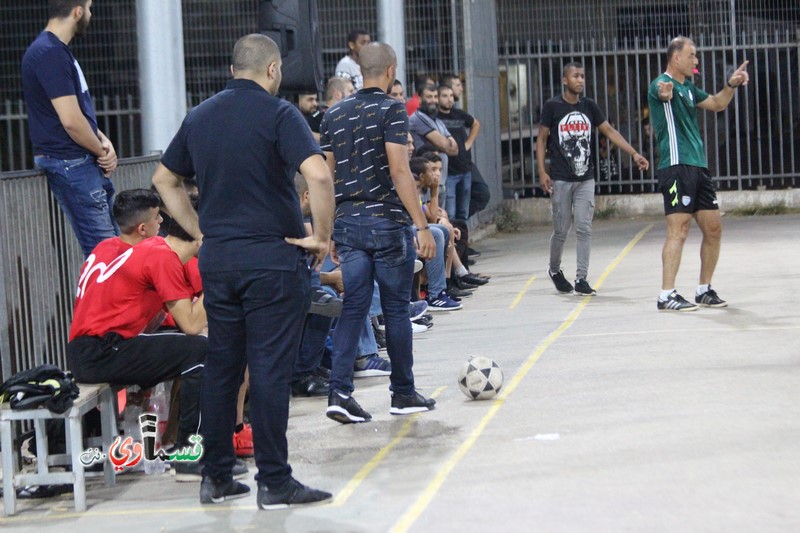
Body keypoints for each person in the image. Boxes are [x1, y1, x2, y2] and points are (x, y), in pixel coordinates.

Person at [153, 34, 334, 509]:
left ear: (234, 69)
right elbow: (317, 174)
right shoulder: (279, 115)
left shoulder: (199, 116)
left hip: (221, 261)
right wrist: (321, 236)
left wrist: (199, 230)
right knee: (270, 370)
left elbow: (163, 180)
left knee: (222, 367)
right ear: (273, 70)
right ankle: (274, 481)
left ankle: (215, 477)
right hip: (271, 260)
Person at [319, 41, 437, 424]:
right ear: (390, 71)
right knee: (396, 310)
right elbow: (401, 171)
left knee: (353, 306)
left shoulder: (332, 116)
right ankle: (402, 392)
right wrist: (422, 225)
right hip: (387, 224)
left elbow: (326, 177)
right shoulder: (392, 109)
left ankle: (339, 392)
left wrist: (330, 229)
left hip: (349, 225)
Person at [66, 189, 218, 479]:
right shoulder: (156, 253)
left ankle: (184, 443)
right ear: (143, 227)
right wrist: (220, 281)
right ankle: (190, 454)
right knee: (201, 349)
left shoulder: (106, 247)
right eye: (157, 216)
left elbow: (137, 318)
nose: (161, 221)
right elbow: (191, 326)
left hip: (85, 352)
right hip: (105, 350)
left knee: (185, 348)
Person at [648, 37, 749, 311]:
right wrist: (665, 92)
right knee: (678, 229)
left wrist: (731, 84)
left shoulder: (689, 88)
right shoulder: (662, 83)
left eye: (696, 56)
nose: (696, 60)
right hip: (676, 167)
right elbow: (661, 92)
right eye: (691, 55)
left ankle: (704, 290)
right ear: (675, 58)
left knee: (714, 229)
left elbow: (717, 103)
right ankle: (666, 294)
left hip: (698, 167)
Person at [537, 62, 649, 296]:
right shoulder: (552, 106)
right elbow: (542, 139)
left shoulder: (589, 106)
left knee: (584, 228)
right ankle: (555, 270)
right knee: (561, 230)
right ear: (565, 80)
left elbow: (609, 131)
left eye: (583, 76)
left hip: (585, 177)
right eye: (575, 76)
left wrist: (634, 153)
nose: (580, 80)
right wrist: (542, 171)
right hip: (560, 177)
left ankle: (581, 278)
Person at [22, 0, 118, 258]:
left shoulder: (53, 51)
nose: (90, 13)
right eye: (88, 7)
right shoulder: (51, 53)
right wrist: (102, 150)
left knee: (112, 254)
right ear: (77, 12)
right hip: (72, 163)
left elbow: (77, 116)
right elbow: (71, 121)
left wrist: (102, 141)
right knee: (108, 259)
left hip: (76, 162)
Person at [437, 84, 480, 222]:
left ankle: (462, 241)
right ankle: (453, 242)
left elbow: (475, 124)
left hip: (464, 169)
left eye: (451, 96)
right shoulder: (435, 118)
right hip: (448, 172)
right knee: (450, 212)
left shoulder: (459, 114)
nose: (449, 99)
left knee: (463, 212)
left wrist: (468, 143)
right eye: (445, 96)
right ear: (437, 99)